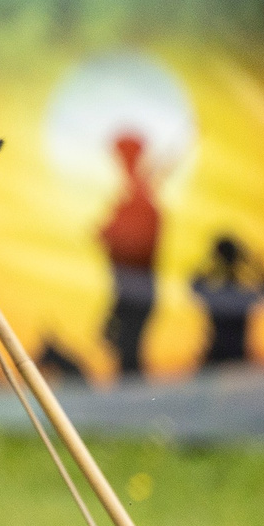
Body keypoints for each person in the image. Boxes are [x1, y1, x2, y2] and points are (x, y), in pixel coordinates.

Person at [98, 132, 161, 379]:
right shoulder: (132, 193)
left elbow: (139, 244)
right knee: (119, 345)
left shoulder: (141, 198)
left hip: (137, 290)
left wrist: (112, 233)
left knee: (128, 352)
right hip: (125, 289)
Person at [191, 235, 264, 370]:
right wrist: (255, 265)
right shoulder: (245, 295)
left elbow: (194, 285)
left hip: (217, 357)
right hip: (237, 357)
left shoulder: (216, 295)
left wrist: (210, 262)